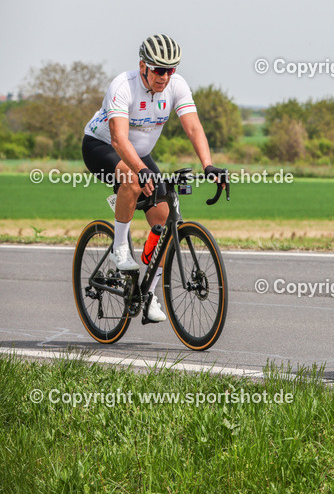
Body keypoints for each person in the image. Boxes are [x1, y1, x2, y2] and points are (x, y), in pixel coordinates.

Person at [82, 34, 227, 323]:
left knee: (164, 218)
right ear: (143, 66)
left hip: (139, 154)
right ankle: (120, 247)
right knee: (133, 181)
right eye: (159, 70)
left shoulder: (177, 86)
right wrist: (140, 170)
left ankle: (147, 294)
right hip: (102, 147)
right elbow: (119, 139)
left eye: (171, 70)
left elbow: (194, 128)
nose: (165, 76)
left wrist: (208, 165)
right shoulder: (122, 86)